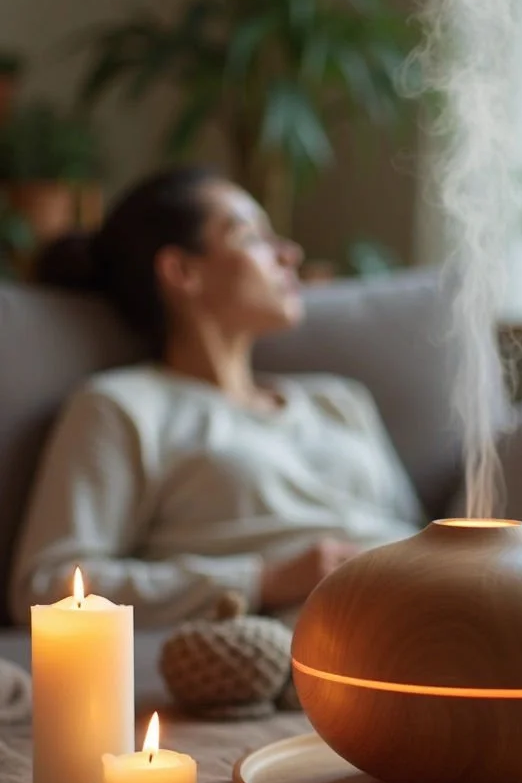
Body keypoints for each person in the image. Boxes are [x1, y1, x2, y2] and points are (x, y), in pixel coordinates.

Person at [9, 167, 423, 627]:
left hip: (429, 599)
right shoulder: (122, 407)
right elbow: (46, 585)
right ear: (182, 271)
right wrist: (263, 579)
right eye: (251, 237)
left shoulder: (340, 400)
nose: (289, 253)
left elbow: (426, 538)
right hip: (316, 632)